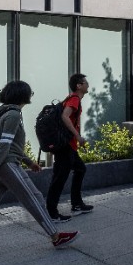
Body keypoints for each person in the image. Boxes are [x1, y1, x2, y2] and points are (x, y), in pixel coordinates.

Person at [0, 81, 78, 261]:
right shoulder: (13, 114)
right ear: (23, 95)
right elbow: (4, 146)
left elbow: (11, 144)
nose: (31, 95)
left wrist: (29, 162)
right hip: (5, 165)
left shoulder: (2, 114)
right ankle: (56, 237)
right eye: (30, 92)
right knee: (34, 197)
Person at [46, 73, 94, 220]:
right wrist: (78, 136)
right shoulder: (74, 99)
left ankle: (77, 203)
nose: (87, 84)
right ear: (79, 86)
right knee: (60, 177)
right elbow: (65, 116)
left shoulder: (72, 98)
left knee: (80, 169)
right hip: (66, 145)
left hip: (68, 146)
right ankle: (52, 212)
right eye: (85, 82)